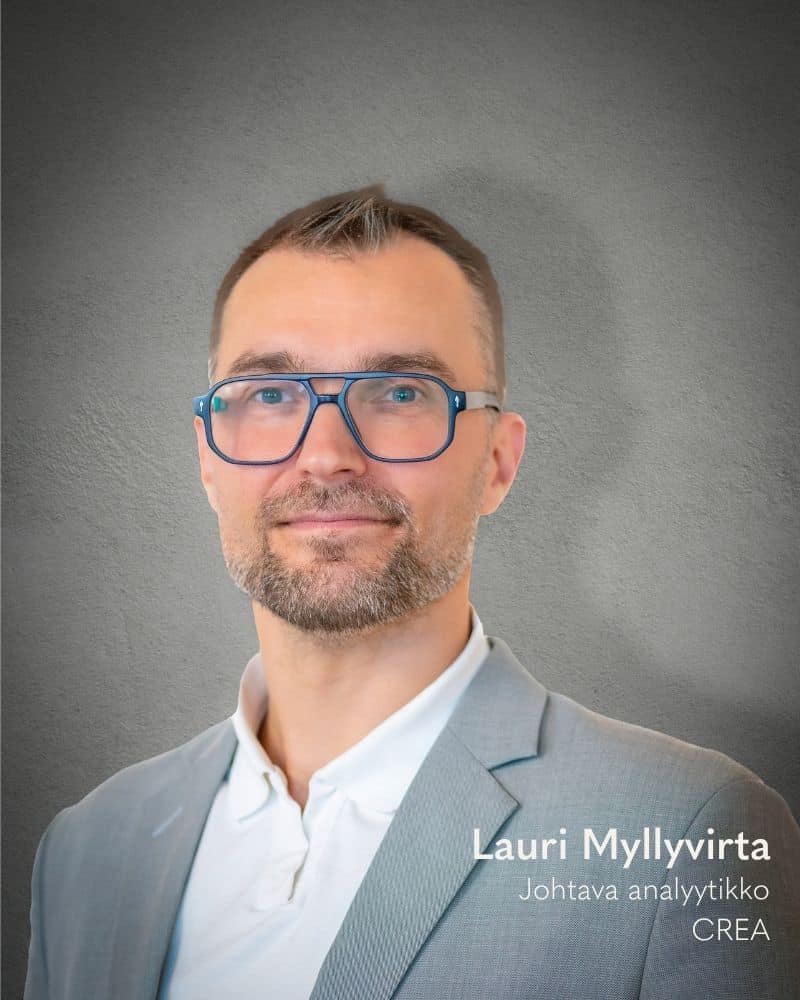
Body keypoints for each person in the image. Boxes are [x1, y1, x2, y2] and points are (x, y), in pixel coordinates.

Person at [24, 186, 800, 1000]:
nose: (325, 454)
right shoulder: (87, 848)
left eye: (399, 393)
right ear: (208, 459)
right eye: (270, 395)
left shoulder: (688, 833)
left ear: (498, 461)